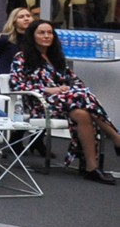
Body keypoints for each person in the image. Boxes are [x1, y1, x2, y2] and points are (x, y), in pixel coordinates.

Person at [9, 20, 118, 183]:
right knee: (82, 97)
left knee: (82, 112)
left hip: (65, 102)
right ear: (32, 36)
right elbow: (16, 84)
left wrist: (67, 88)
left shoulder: (56, 57)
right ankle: (115, 137)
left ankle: (91, 168)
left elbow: (77, 82)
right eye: (41, 33)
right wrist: (47, 89)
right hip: (40, 103)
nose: (46, 36)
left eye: (49, 33)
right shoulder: (22, 57)